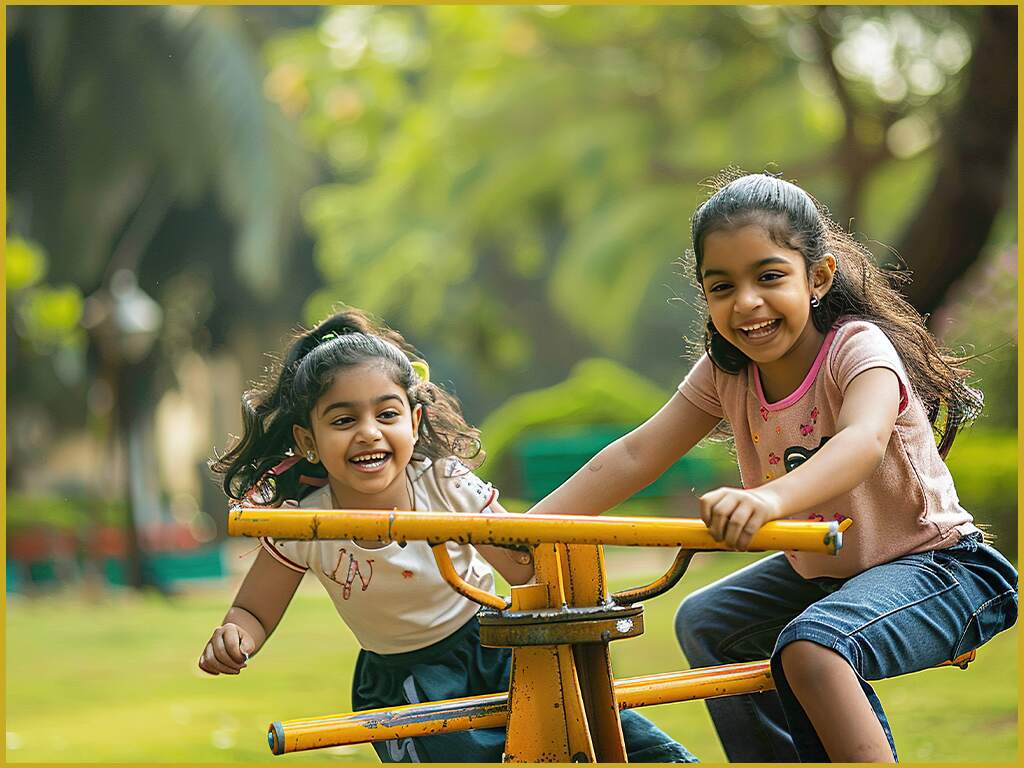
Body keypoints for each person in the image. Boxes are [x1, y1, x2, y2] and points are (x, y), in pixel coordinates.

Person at [526, 172, 1018, 762]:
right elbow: (637, 454)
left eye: (769, 277)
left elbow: (861, 441)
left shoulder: (857, 348)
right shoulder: (727, 370)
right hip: (834, 576)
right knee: (710, 622)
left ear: (819, 277)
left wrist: (768, 499)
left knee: (813, 649)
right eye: (722, 286)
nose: (746, 302)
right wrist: (527, 530)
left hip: (941, 569)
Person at [198, 308, 697, 763]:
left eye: (387, 414)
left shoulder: (444, 484)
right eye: (344, 420)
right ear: (308, 440)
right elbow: (254, 611)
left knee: (612, 735)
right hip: (402, 681)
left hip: (496, 646)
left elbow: (522, 567)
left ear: (414, 423)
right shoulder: (304, 524)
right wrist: (236, 636)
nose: (369, 432)